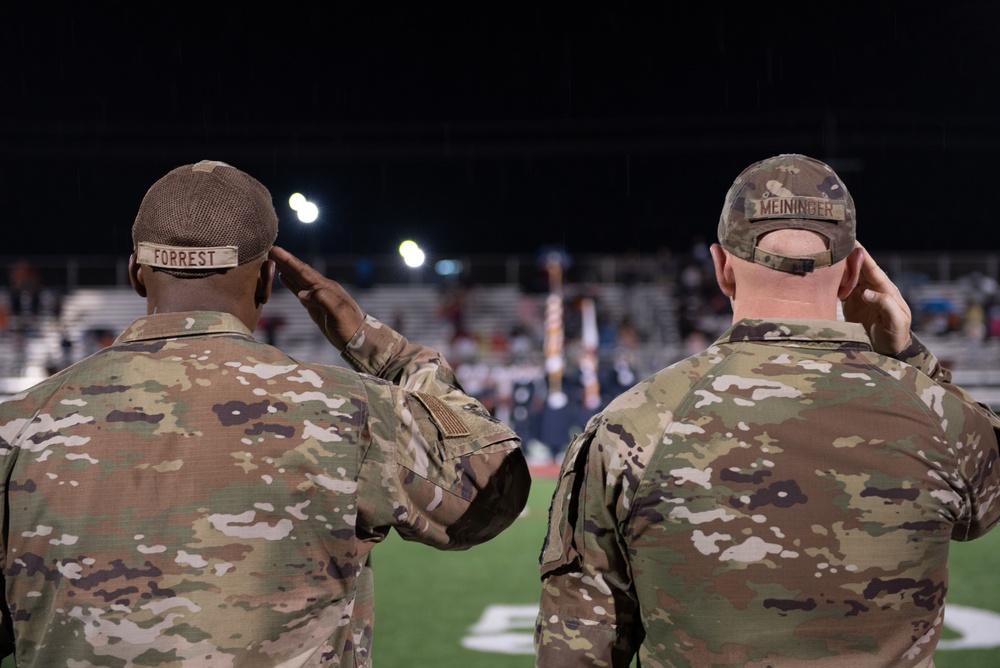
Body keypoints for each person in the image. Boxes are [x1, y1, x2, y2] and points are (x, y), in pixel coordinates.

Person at [0, 160, 531, 667]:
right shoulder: (350, 411)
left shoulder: (17, 427)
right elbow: (494, 487)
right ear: (265, 283)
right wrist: (384, 351)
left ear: (136, 274)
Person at [535, 154, 1000, 667]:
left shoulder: (632, 424)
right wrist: (909, 354)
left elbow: (578, 648)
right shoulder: (936, 416)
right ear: (851, 272)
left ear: (721, 268)